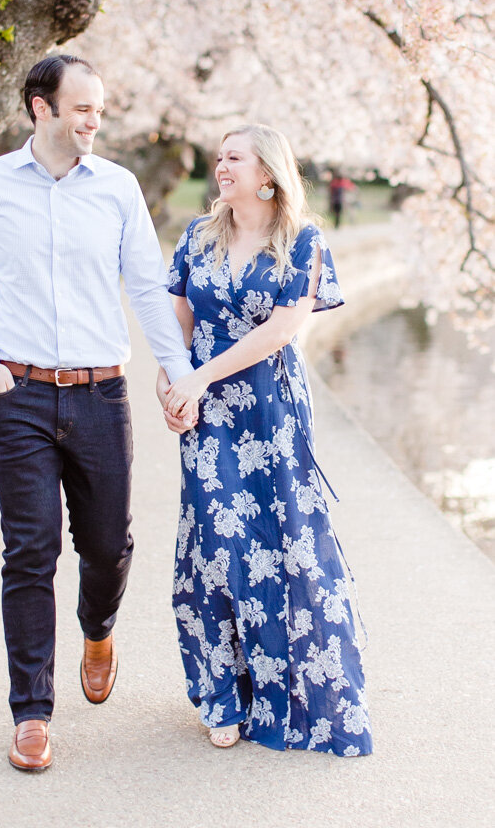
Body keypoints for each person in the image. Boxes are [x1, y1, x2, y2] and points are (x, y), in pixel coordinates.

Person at [0, 54, 196, 772]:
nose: (93, 121)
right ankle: (29, 711)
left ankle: (98, 629)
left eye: (99, 109)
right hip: (16, 393)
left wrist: (178, 378)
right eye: (81, 108)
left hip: (98, 394)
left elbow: (147, 290)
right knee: (29, 551)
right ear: (40, 109)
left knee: (108, 546)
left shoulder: (116, 189)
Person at [159, 124, 373, 755]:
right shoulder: (197, 237)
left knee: (283, 542)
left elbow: (280, 330)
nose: (219, 167)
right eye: (217, 157)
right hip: (204, 410)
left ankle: (289, 694)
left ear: (268, 174)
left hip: (269, 413)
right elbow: (175, 322)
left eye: (233, 158)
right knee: (216, 541)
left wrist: (195, 378)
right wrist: (171, 389)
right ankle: (221, 693)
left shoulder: (302, 240)